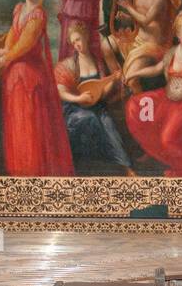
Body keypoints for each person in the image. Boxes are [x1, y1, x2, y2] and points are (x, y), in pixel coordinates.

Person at [0, 0, 75, 176]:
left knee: (29, 127)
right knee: (18, 126)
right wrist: (4, 50)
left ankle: (33, 171)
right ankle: (19, 169)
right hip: (15, 75)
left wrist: (2, 59)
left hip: (30, 77)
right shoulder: (18, 9)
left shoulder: (38, 15)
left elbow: (24, 45)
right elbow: (12, 35)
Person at [123, 12, 182, 177]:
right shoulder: (172, 53)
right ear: (178, 35)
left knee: (168, 138)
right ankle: (158, 154)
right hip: (166, 98)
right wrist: (133, 73)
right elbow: (156, 69)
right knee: (135, 105)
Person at [54, 22, 135, 175]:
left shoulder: (97, 62)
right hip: (74, 109)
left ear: (85, 37)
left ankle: (126, 168)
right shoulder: (70, 64)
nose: (77, 45)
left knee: (108, 123)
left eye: (78, 39)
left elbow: (101, 93)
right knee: (89, 118)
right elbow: (61, 92)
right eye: (73, 42)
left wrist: (113, 80)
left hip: (96, 105)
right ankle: (89, 168)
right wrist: (78, 99)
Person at [115, 0, 180, 91]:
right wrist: (126, 16)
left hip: (152, 45)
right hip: (136, 38)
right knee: (105, 46)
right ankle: (118, 78)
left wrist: (128, 7)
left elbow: (145, 20)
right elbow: (138, 17)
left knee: (132, 80)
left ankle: (136, 100)